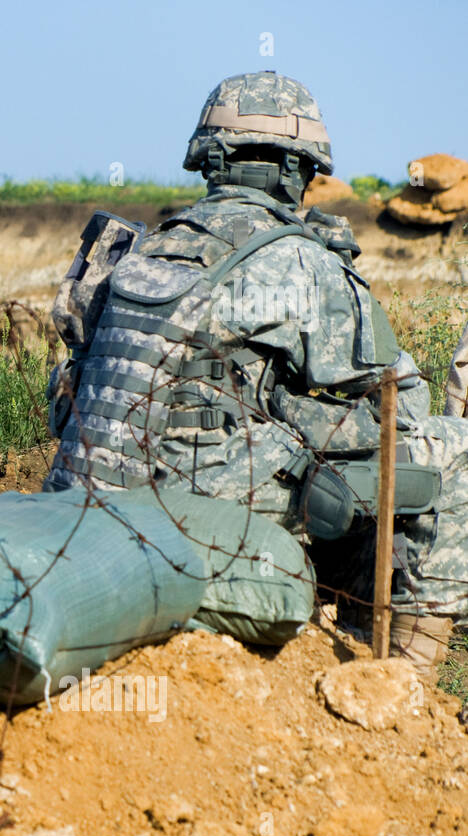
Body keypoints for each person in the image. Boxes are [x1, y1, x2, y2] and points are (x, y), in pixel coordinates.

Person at [43, 71, 468, 677]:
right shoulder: (297, 257)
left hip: (86, 498)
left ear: (209, 159)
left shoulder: (150, 245)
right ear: (296, 169)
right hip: (192, 507)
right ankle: (405, 686)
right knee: (452, 453)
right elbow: (397, 403)